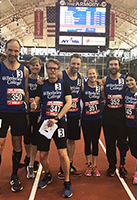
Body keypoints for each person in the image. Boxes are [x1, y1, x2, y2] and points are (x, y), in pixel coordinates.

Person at [0, 39, 29, 200]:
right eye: (10, 50)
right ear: (5, 50)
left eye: (16, 51)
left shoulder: (24, 70)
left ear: (19, 52)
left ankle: (14, 176)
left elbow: (25, 91)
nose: (13, 54)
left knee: (18, 145)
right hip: (2, 113)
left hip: (19, 113)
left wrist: (27, 111)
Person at [31, 58, 73, 198]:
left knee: (62, 153)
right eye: (49, 68)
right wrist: (34, 104)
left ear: (58, 69)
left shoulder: (64, 84)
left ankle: (67, 182)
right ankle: (48, 175)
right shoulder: (41, 84)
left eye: (54, 68)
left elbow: (69, 103)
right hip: (44, 123)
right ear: (46, 69)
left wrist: (57, 118)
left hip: (59, 122)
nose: (52, 71)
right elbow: (37, 99)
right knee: (42, 154)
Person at [102, 57, 129, 178]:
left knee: (122, 143)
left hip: (122, 117)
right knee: (110, 143)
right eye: (111, 64)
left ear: (119, 66)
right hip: (108, 116)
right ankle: (111, 166)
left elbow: (134, 92)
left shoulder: (125, 80)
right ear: (108, 66)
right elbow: (102, 97)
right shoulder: (104, 80)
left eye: (115, 64)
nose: (113, 67)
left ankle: (122, 165)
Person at [58, 54, 82, 179]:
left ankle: (70, 164)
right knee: (62, 141)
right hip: (63, 114)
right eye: (73, 63)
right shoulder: (62, 75)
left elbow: (83, 91)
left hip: (75, 114)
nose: (75, 66)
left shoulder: (80, 77)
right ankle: (62, 166)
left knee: (72, 140)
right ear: (69, 63)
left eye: (78, 64)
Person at [81, 68, 104, 177]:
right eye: (89, 74)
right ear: (87, 75)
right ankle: (89, 166)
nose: (92, 75)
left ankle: (95, 166)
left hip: (97, 119)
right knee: (87, 142)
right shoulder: (83, 86)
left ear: (97, 74)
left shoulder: (100, 87)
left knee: (95, 142)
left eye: (93, 73)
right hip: (86, 119)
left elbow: (103, 99)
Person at [24, 56, 42, 178]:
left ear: (40, 66)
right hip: (26, 112)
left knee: (35, 137)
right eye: (33, 65)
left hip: (38, 112)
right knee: (26, 136)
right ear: (29, 67)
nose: (35, 67)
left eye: (37, 65)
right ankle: (29, 156)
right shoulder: (25, 80)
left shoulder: (42, 81)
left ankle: (31, 164)